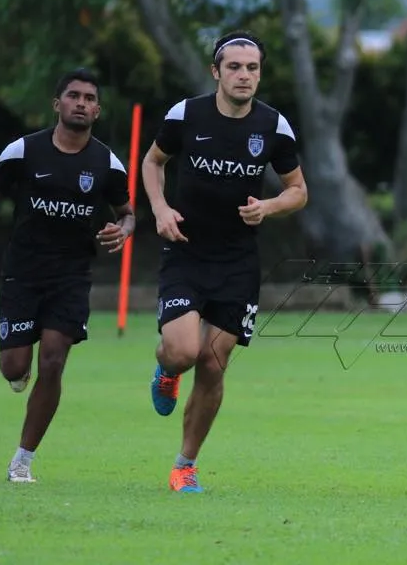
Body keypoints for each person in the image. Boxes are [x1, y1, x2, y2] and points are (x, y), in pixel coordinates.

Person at [143, 31, 308, 493]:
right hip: (187, 250)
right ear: (216, 72)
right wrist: (159, 209)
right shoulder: (186, 114)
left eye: (252, 68)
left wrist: (268, 207)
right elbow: (153, 162)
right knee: (182, 352)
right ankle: (166, 370)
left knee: (214, 364)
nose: (244, 75)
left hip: (238, 261)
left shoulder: (274, 127)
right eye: (234, 67)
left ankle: (184, 466)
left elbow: (298, 190)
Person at [0, 68, 134, 483]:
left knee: (54, 360)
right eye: (73, 95)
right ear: (57, 104)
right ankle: (18, 370)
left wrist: (123, 230)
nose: (81, 103)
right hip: (23, 273)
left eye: (89, 98)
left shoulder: (107, 163)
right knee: (12, 365)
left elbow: (126, 212)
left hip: (71, 276)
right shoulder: (23, 151)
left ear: (98, 109)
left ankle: (22, 460)